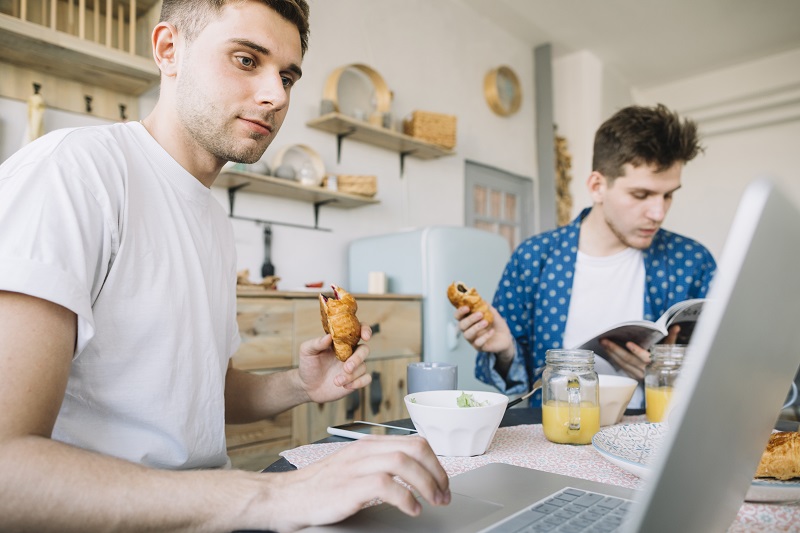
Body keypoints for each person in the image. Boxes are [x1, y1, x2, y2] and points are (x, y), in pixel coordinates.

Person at [0, 1, 449, 531]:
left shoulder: (212, 219)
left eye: (287, 76)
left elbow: (201, 392)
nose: (276, 95)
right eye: (245, 60)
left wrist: (298, 385)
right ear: (169, 50)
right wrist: (272, 495)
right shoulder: (73, 174)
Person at [456, 104, 716, 408]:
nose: (658, 213)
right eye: (641, 195)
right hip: (555, 437)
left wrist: (670, 374)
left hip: (655, 440)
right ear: (597, 186)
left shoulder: (692, 261)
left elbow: (730, 368)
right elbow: (519, 382)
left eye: (668, 194)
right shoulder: (533, 258)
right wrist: (505, 351)